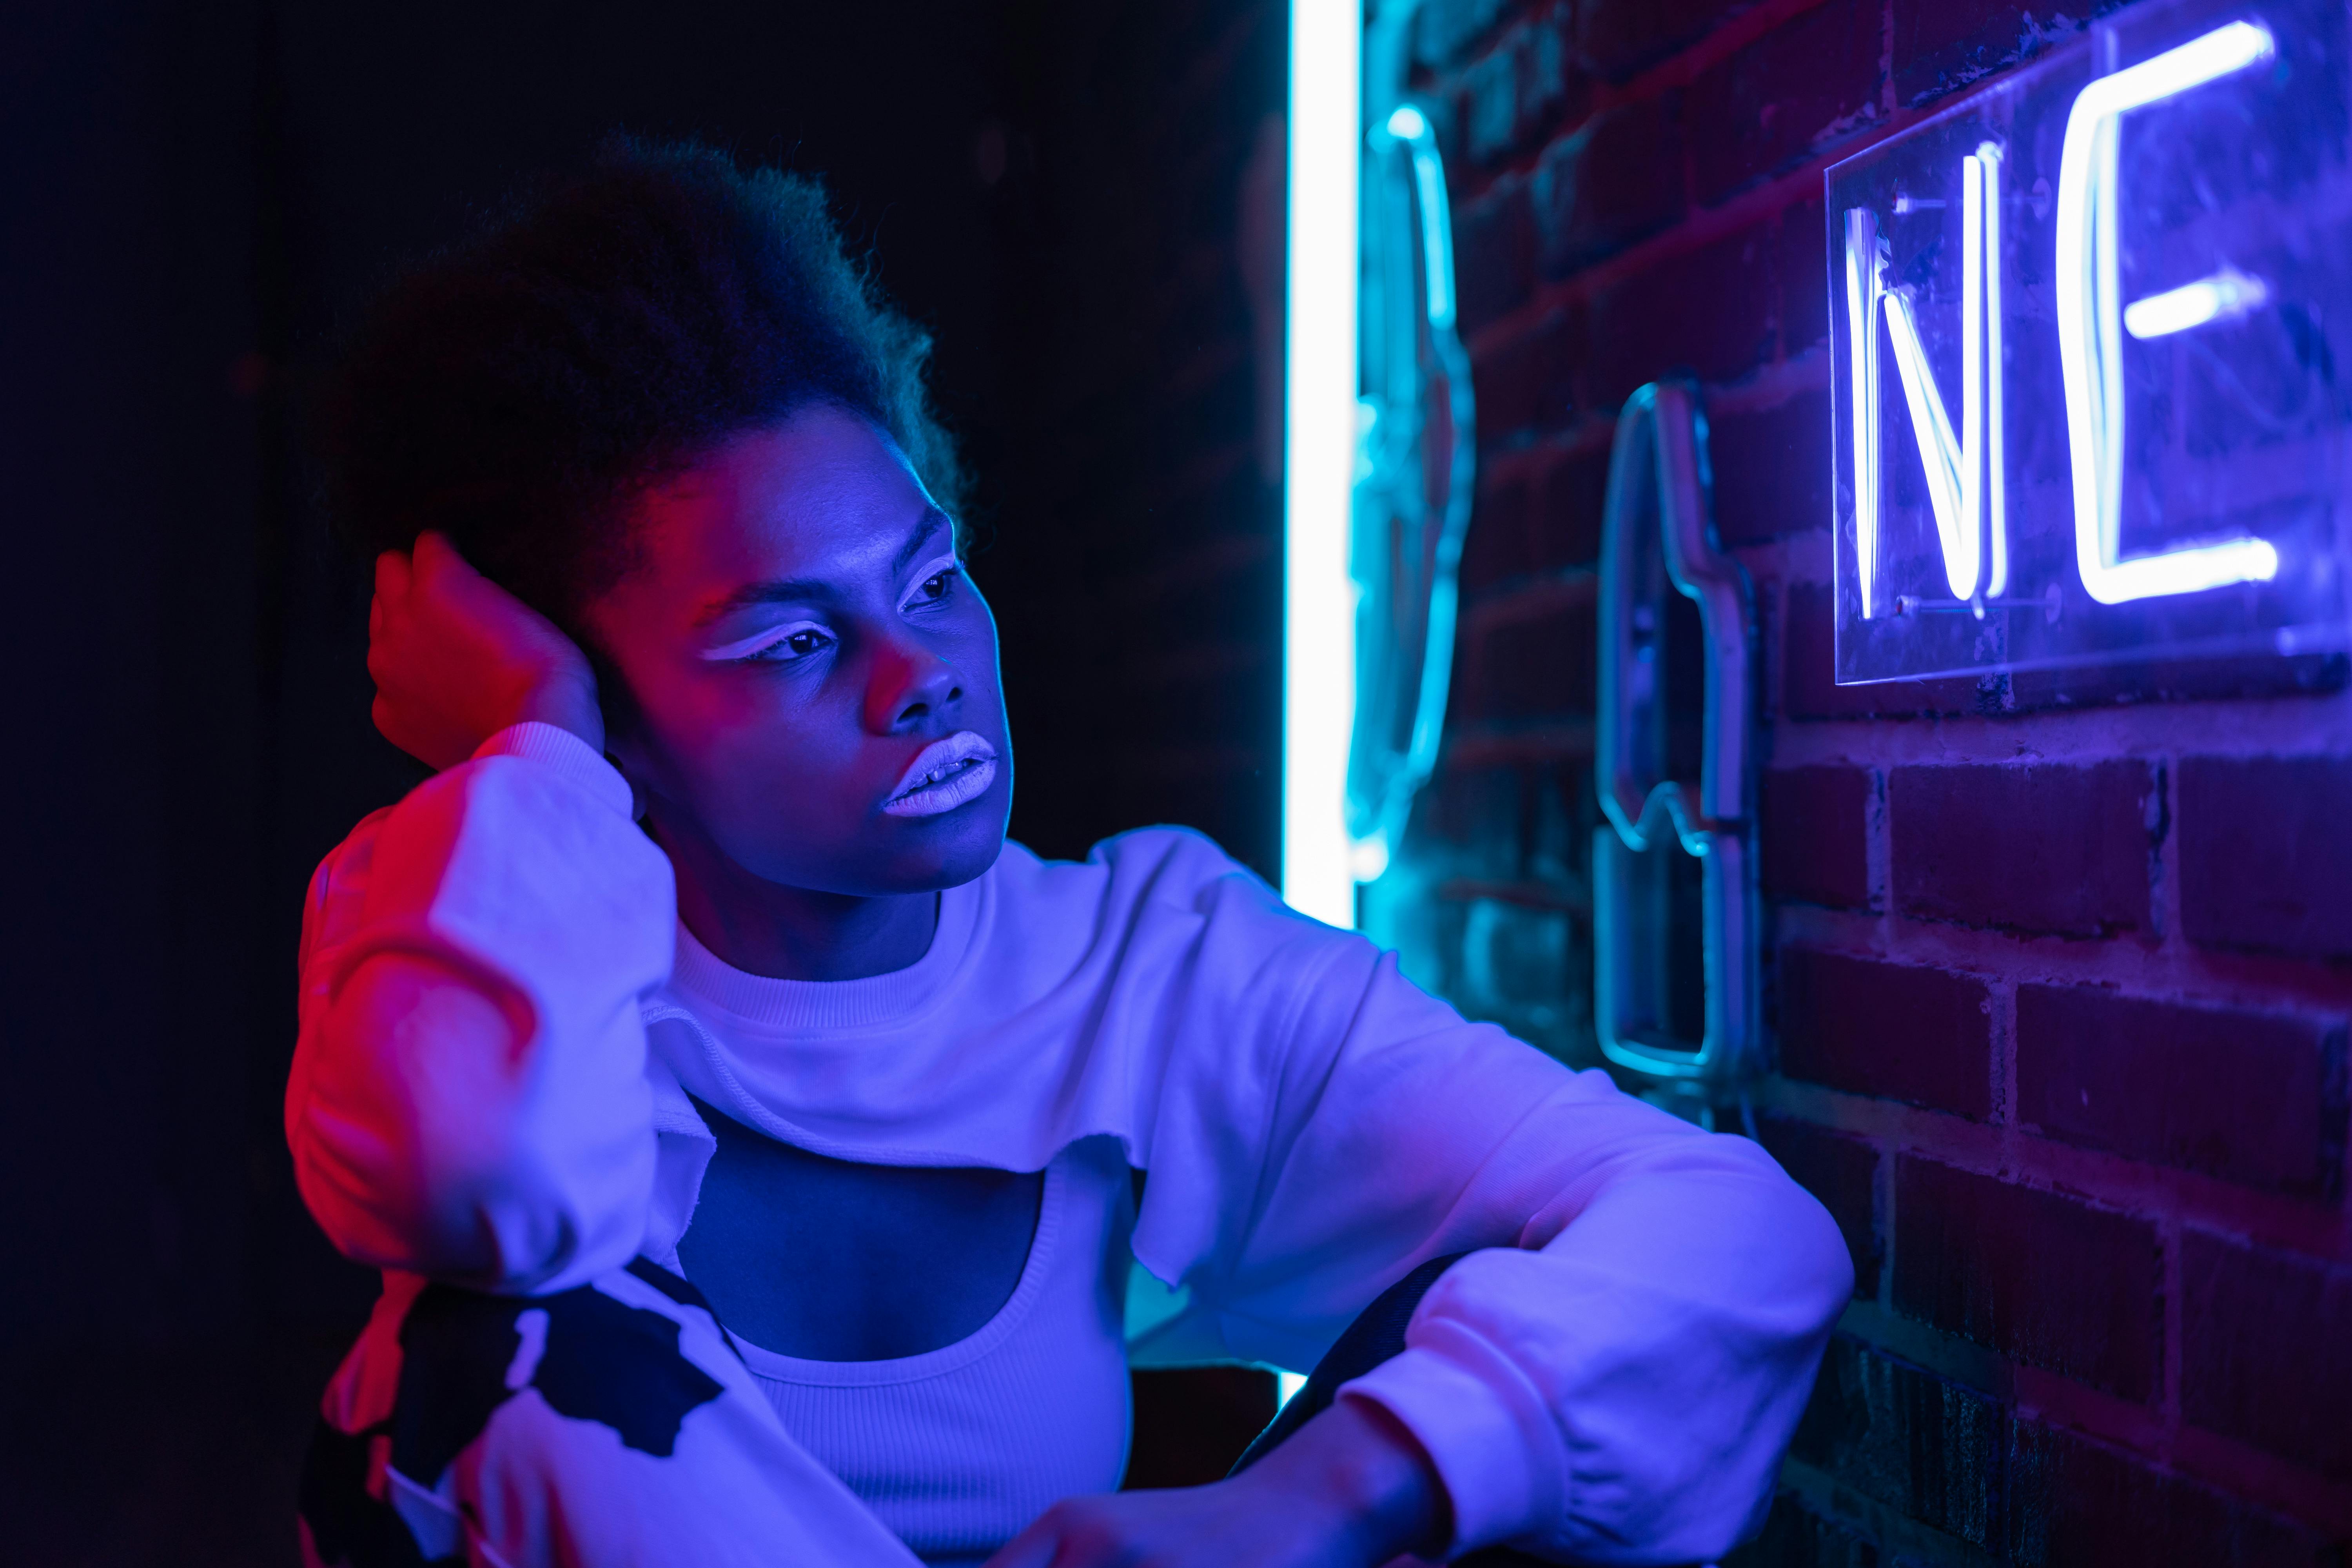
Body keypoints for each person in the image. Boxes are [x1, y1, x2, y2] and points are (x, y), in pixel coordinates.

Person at [286, 138, 1851, 1568]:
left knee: (1503, 1381)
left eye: (931, 579)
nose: (921, 674)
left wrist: (1302, 1502)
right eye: (791, 642)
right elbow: (476, 1182)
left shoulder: (1142, 967)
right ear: (609, 714)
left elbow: (1739, 1232)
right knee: (497, 1358)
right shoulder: (491, 953)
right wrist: (537, 751)